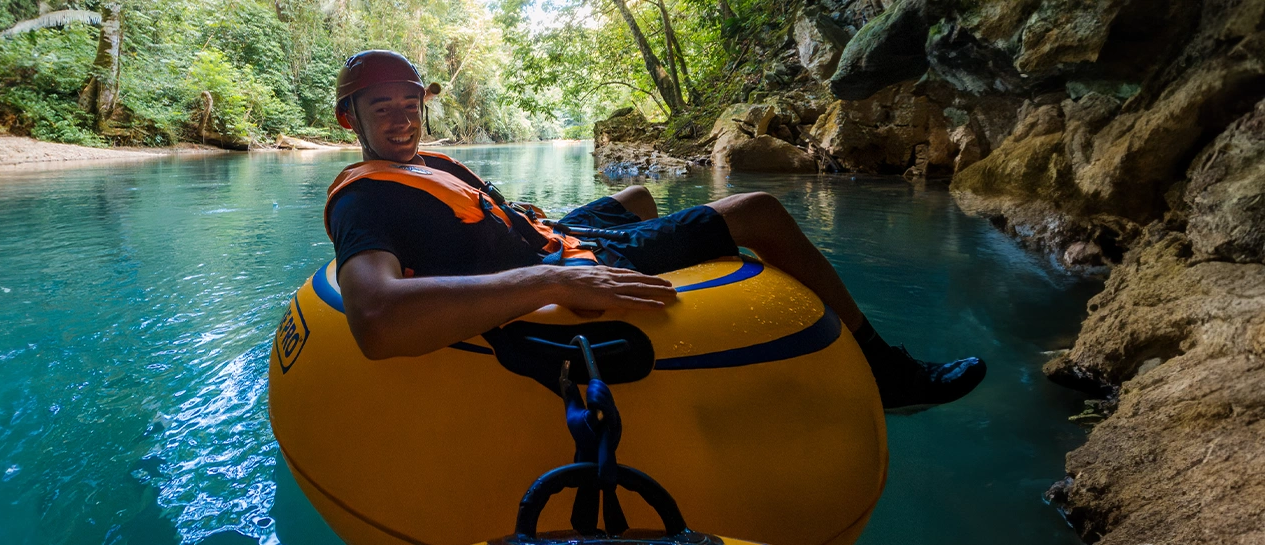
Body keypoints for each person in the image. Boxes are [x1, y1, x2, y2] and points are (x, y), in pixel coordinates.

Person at [323, 50, 985, 412]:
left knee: (636, 194)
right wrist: (550, 281)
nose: (404, 120)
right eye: (384, 108)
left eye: (411, 104)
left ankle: (635, 263)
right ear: (350, 119)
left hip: (546, 236)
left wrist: (532, 229)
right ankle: (887, 373)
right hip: (555, 263)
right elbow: (376, 321)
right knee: (757, 210)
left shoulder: (424, 163)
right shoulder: (366, 201)